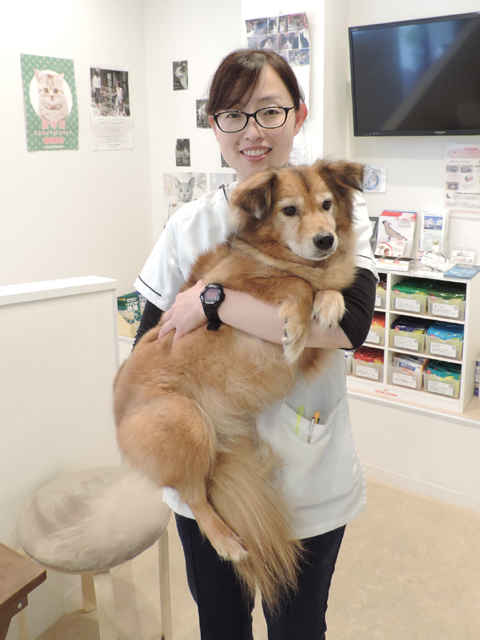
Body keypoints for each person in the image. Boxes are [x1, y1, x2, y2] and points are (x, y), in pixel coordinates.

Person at [133, 49, 377, 640]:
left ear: (299, 114)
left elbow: (349, 327)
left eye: (269, 111)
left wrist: (214, 303)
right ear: (213, 126)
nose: (253, 132)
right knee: (220, 624)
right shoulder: (188, 226)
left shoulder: (336, 208)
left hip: (307, 473)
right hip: (212, 477)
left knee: (298, 627)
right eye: (234, 116)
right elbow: (147, 344)